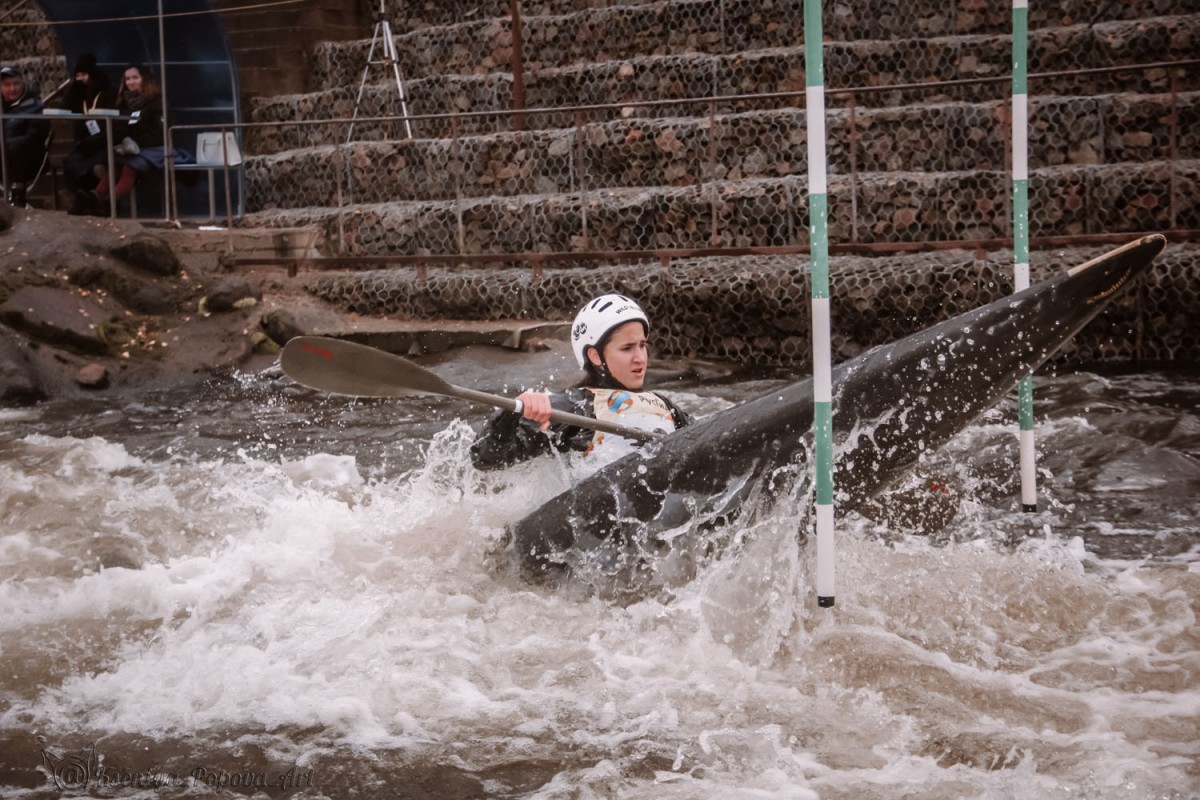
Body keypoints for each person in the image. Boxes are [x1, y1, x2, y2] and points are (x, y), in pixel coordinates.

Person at [471, 293, 693, 471]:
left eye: (642, 345)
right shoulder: (574, 405)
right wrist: (512, 413)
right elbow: (484, 460)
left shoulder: (666, 407)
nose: (640, 358)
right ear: (595, 356)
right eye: (627, 348)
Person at [77, 63, 166, 215]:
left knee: (128, 167)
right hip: (128, 148)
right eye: (127, 79)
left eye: (135, 78)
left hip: (152, 148)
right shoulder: (123, 103)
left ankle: (108, 202)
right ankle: (97, 196)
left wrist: (135, 139)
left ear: (145, 79)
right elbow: (119, 128)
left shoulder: (157, 102)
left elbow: (159, 133)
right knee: (114, 165)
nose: (131, 82)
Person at [59, 53, 117, 209]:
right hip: (85, 142)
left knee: (96, 166)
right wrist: (73, 88)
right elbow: (65, 107)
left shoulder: (107, 93)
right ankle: (79, 200)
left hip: (103, 142)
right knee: (71, 164)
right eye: (77, 75)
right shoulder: (79, 95)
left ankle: (102, 202)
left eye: (84, 75)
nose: (81, 79)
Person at [1, 65, 50, 208]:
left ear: (22, 83)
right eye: (7, 85)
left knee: (16, 148)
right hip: (3, 154)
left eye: (16, 83)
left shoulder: (35, 106)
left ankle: (18, 196)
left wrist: (5, 144)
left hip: (29, 156)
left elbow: (34, 136)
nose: (12, 89)